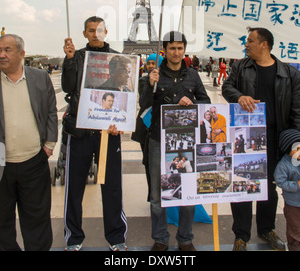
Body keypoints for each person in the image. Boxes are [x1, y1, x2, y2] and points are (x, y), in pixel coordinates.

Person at [222, 27, 300, 251]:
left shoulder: (289, 73)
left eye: (250, 41)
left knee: (270, 186)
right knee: (243, 184)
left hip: (276, 137)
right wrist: (240, 97)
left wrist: (294, 144)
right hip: (246, 136)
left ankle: (267, 229)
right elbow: (227, 87)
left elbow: (296, 110)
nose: (246, 45)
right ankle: (241, 235)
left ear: (264, 44)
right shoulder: (240, 67)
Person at [140, 31, 211, 251]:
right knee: (156, 195)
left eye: (180, 48)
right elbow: (143, 105)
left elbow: (205, 101)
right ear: (164, 50)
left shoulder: (193, 75)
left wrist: (192, 102)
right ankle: (160, 238)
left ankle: (185, 238)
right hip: (158, 140)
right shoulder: (154, 75)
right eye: (172, 48)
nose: (176, 52)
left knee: (188, 191)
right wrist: (149, 85)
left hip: (186, 142)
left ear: (184, 50)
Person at [62, 16, 128, 252]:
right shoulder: (77, 57)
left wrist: (122, 119)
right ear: (84, 34)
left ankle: (116, 237)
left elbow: (126, 95)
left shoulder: (119, 59)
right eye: (91, 30)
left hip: (108, 132)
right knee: (74, 186)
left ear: (106, 31)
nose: (95, 34)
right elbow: (68, 88)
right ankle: (73, 237)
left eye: (99, 30)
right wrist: (69, 61)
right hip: (80, 131)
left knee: (112, 186)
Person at [0, 34, 58, 251]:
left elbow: (52, 111)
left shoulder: (40, 78)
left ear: (22, 54)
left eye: (7, 50)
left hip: (34, 160)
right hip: (1, 164)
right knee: (2, 221)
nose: (2, 55)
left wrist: (49, 145)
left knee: (37, 220)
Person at [274, 129, 300, 251]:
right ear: (288, 150)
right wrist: (296, 185)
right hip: (293, 204)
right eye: (297, 149)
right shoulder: (284, 165)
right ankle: (294, 247)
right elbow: (280, 182)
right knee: (294, 228)